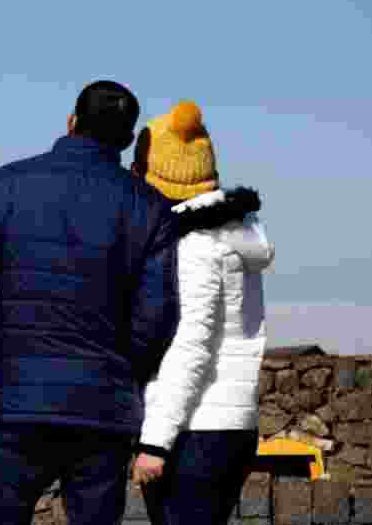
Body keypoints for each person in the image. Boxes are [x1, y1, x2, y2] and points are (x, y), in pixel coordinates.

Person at [0, 80, 183, 525]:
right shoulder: (150, 208)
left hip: (19, 400)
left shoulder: (7, 185)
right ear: (128, 140)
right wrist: (121, 371)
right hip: (103, 410)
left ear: (71, 122)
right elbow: (159, 316)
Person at [128, 101, 275, 524]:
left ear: (151, 175)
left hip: (195, 430)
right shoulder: (231, 234)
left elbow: (190, 345)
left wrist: (155, 443)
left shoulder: (194, 247)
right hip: (228, 422)